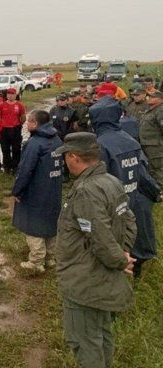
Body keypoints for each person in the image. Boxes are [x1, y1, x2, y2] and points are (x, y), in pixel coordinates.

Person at [54, 132, 136, 368]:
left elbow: (99, 235)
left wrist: (120, 260)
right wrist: (124, 253)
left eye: (66, 157)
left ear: (74, 157)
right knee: (101, 332)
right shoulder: (111, 181)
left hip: (84, 279)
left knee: (84, 340)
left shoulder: (86, 190)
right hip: (103, 277)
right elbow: (129, 220)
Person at [90, 92, 162, 277]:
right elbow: (143, 174)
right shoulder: (130, 140)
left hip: (113, 203)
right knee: (136, 232)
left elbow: (98, 179)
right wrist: (155, 192)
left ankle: (119, 270)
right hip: (134, 196)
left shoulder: (100, 145)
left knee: (115, 239)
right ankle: (136, 266)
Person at [11, 110, 63, 273]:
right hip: (54, 188)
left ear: (34, 123)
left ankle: (36, 261)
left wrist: (17, 191)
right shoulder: (57, 139)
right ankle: (50, 258)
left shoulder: (35, 143)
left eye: (28, 122)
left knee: (32, 223)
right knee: (50, 221)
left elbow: (26, 169)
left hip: (36, 190)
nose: (26, 124)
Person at [0, 88, 26, 174]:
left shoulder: (20, 105)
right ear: (6, 95)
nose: (10, 95)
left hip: (15, 129)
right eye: (8, 94)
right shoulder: (1, 105)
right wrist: (4, 124)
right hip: (5, 130)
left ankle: (15, 166)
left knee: (16, 148)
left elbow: (23, 118)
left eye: (12, 94)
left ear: (15, 95)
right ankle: (7, 166)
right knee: (5, 149)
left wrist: (17, 125)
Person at [139, 90, 163, 187]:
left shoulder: (160, 110)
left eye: (153, 97)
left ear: (160, 99)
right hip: (148, 144)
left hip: (156, 145)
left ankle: (161, 189)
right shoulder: (150, 109)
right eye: (149, 96)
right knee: (151, 168)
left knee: (158, 168)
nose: (149, 98)